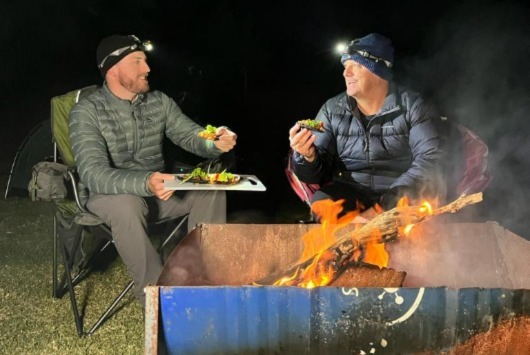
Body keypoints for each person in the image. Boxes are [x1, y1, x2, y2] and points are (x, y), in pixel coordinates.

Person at [69, 34, 237, 306]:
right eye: (137, 62)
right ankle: (158, 297)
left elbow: (189, 134)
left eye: (145, 61)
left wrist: (214, 141)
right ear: (113, 69)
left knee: (211, 189)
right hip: (107, 196)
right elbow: (92, 172)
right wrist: (145, 182)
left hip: (157, 191)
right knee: (127, 204)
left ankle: (201, 280)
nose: (147, 69)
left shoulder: (159, 102)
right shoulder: (86, 112)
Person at [288, 33, 446, 221]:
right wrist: (308, 157)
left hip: (400, 191)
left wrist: (381, 209)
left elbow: (429, 160)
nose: (346, 73)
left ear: (378, 70)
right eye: (345, 66)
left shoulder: (412, 105)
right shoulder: (332, 109)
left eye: (356, 66)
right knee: (322, 204)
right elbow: (314, 177)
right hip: (351, 190)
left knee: (414, 203)